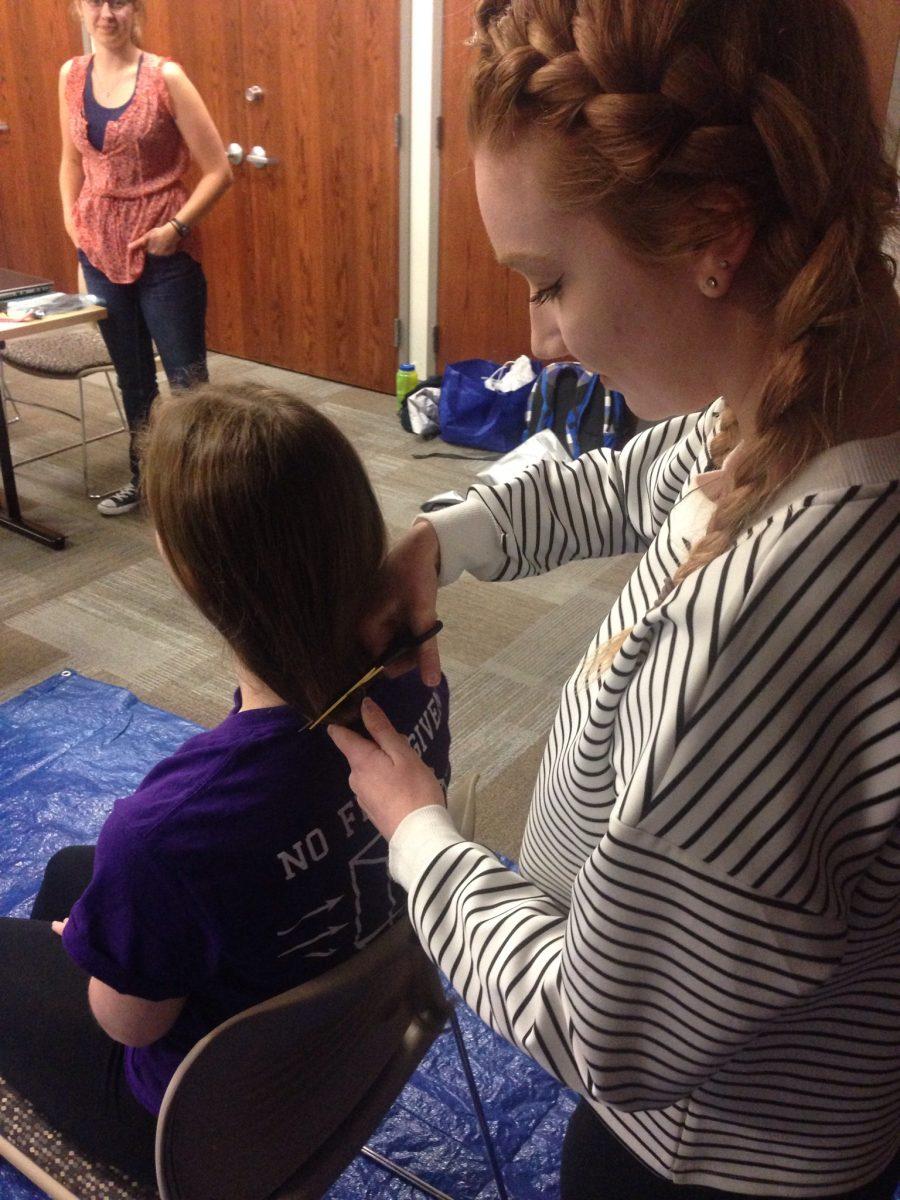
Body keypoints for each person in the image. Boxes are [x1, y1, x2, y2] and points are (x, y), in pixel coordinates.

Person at [328, 1, 900, 1197]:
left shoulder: (763, 628)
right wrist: (447, 536)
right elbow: (653, 473)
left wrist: (416, 831)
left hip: (716, 1154)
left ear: (713, 230)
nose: (540, 339)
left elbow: (609, 1031)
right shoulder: (822, 367)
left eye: (549, 280)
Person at [0, 383, 451, 1183]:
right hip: (366, 1030)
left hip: (206, 1129)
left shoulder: (163, 833)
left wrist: (85, 952)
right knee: (77, 872)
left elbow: (128, 1025)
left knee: (68, 926)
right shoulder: (419, 679)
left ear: (190, 574)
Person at [58, 0, 233, 516]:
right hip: (98, 249)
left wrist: (175, 229)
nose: (106, 13)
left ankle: (203, 493)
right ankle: (146, 478)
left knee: (187, 381)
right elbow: (70, 162)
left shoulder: (165, 77)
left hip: (164, 254)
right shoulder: (70, 75)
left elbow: (219, 171)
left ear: (136, 10)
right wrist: (72, 219)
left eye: (120, 1)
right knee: (132, 376)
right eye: (95, 1)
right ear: (78, 8)